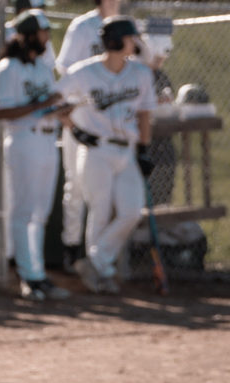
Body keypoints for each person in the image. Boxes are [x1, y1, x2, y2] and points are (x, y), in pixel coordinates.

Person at [55, 16, 157, 294]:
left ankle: (96, 261)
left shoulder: (140, 73)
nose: (134, 43)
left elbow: (145, 112)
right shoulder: (83, 72)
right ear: (115, 41)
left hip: (127, 150)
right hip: (96, 150)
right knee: (99, 210)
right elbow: (55, 102)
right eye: (129, 38)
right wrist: (75, 130)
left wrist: (144, 148)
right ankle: (102, 272)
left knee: (131, 211)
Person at [0, 9, 71, 302]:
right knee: (24, 211)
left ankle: (38, 274)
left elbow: (49, 103)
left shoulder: (42, 67)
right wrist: (42, 104)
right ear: (28, 36)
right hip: (24, 141)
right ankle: (28, 276)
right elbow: (2, 112)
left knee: (41, 213)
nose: (47, 37)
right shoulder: (7, 68)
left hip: (48, 140)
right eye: (43, 32)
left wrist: (61, 110)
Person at [55, 0, 121, 272]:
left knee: (110, 190)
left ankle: (101, 255)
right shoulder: (82, 27)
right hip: (81, 113)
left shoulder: (126, 26)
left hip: (113, 117)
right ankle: (72, 248)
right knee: (77, 186)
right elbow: (65, 67)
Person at [137, 18, 176, 205]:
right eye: (157, 58)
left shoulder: (161, 76)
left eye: (162, 59)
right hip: (143, 138)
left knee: (168, 160)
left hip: (162, 137)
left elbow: (169, 98)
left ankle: (163, 208)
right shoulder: (136, 74)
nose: (159, 62)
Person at [0, 0, 56, 71]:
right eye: (37, 10)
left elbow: (50, 64)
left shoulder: (41, 35)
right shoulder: (1, 33)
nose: (41, 13)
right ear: (23, 10)